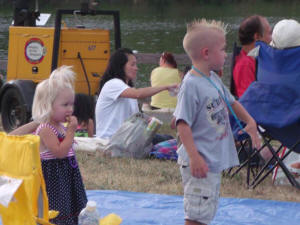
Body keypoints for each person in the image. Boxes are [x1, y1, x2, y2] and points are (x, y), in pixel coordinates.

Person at [174, 19, 261, 225]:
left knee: (205, 211)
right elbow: (182, 124)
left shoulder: (212, 78)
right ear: (206, 53)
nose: (226, 54)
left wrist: (250, 121)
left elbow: (232, 101)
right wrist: (194, 158)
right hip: (199, 161)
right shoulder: (191, 85)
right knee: (196, 214)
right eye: (222, 49)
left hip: (210, 161)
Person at [31, 65, 87, 224]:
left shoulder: (61, 126)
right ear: (47, 105)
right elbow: (60, 152)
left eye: (72, 104)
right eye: (65, 105)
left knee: (72, 203)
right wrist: (71, 131)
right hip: (53, 177)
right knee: (58, 207)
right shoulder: (45, 128)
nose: (70, 109)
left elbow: (68, 152)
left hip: (66, 172)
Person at [95, 48, 176, 142]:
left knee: (168, 139)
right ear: (120, 66)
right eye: (132, 64)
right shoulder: (113, 84)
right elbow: (139, 94)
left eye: (136, 64)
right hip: (112, 139)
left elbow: (135, 117)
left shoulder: (127, 90)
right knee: (169, 141)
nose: (136, 68)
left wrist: (148, 119)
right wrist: (166, 87)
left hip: (126, 138)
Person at [233, 15, 272, 98]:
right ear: (257, 36)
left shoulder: (254, 59)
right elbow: (248, 101)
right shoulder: (245, 65)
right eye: (269, 33)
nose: (272, 38)